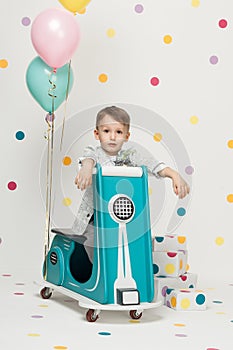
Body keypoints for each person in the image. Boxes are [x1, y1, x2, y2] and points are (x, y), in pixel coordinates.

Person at [72, 106, 190, 262]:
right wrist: (87, 168)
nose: (112, 137)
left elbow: (152, 165)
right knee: (92, 245)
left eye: (119, 132)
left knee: (132, 242)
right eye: (106, 131)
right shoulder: (94, 153)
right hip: (96, 216)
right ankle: (98, 274)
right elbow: (88, 157)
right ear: (97, 134)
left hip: (121, 214)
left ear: (126, 136)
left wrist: (174, 175)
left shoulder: (130, 156)